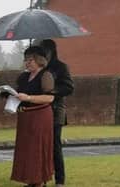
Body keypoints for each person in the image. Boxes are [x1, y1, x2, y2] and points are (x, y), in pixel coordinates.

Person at [10, 46, 55, 187]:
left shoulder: (46, 75)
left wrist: (28, 97)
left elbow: (49, 98)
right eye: (26, 60)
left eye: (30, 60)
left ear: (39, 60)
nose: (27, 63)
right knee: (26, 150)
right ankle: (30, 179)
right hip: (25, 117)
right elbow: (18, 93)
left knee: (37, 149)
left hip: (40, 116)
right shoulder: (24, 76)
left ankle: (39, 180)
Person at [37, 39, 74, 187]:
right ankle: (41, 178)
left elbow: (69, 87)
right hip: (39, 110)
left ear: (51, 51)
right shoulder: (39, 68)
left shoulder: (60, 67)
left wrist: (52, 92)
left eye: (44, 50)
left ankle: (60, 180)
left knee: (55, 146)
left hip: (56, 110)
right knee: (40, 146)